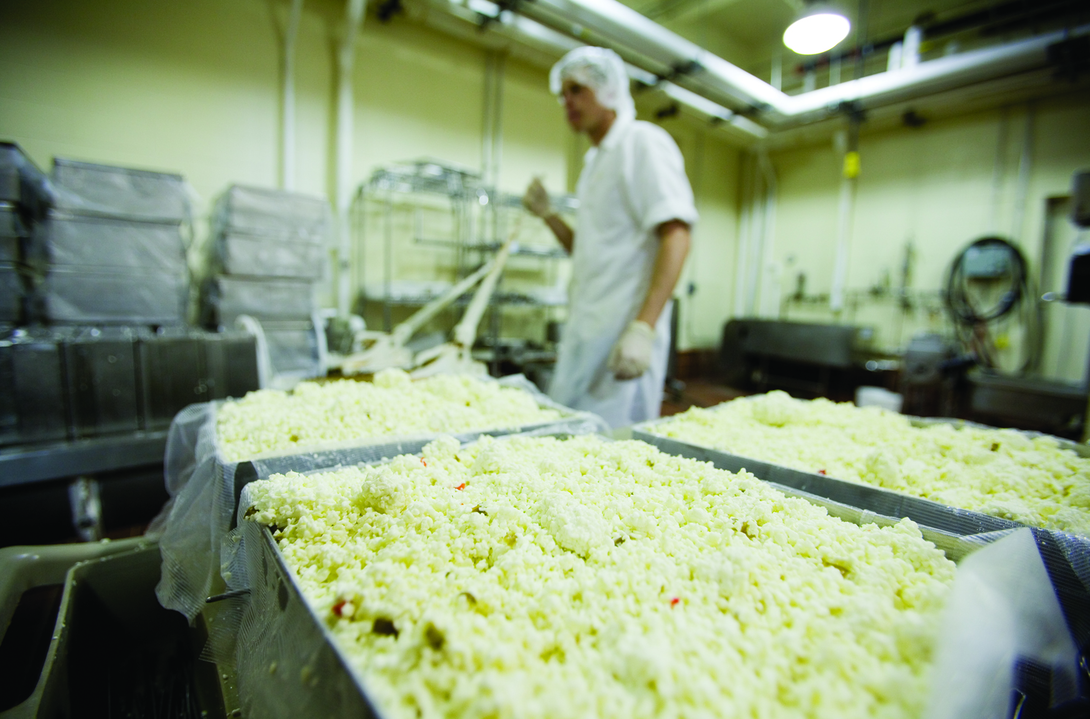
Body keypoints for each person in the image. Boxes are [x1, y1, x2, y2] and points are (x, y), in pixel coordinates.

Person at [523, 46, 698, 429]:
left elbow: (676, 234)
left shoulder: (642, 143)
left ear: (609, 91)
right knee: (570, 448)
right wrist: (549, 215)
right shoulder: (594, 164)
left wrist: (643, 328)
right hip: (586, 333)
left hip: (622, 340)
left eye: (577, 90)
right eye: (563, 93)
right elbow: (586, 249)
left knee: (612, 454)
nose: (566, 101)